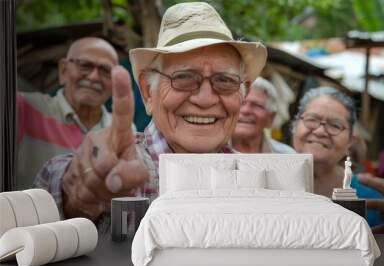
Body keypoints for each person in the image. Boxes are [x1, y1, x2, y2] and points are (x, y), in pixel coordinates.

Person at [33, 2, 267, 230]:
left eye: (225, 81)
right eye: (183, 77)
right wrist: (79, 187)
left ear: (242, 93)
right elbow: (53, 187)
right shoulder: (127, 164)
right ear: (147, 92)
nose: (205, 99)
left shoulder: (258, 180)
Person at [17, 37, 136, 189]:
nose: (94, 77)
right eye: (85, 65)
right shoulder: (24, 108)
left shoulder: (123, 129)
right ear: (63, 70)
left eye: (105, 70)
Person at [291, 86, 384, 232]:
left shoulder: (374, 202)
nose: (320, 131)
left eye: (335, 125)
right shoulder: (266, 187)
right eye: (312, 119)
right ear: (294, 127)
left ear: (350, 142)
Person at [231, 77, 295, 153]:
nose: (246, 110)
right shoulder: (214, 148)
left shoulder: (286, 156)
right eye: (241, 103)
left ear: (271, 118)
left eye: (257, 105)